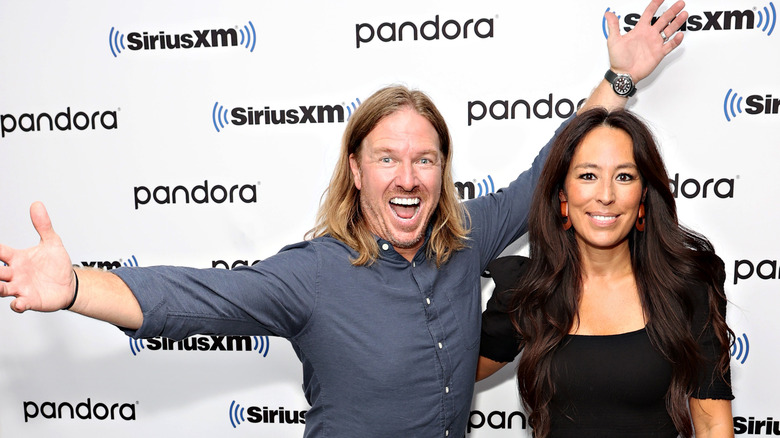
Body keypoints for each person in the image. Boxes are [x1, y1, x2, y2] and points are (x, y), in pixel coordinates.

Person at [0, 1, 689, 436]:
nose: (409, 176)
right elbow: (192, 300)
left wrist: (621, 79)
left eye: (425, 159)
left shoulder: (466, 236)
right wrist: (76, 288)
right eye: (387, 158)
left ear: (442, 170)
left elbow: (550, 166)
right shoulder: (313, 275)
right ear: (355, 170)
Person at [477, 108, 734, 438]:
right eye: (588, 176)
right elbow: (448, 375)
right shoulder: (528, 290)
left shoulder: (687, 286)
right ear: (563, 198)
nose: (606, 195)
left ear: (643, 197)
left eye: (624, 176)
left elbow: (714, 424)